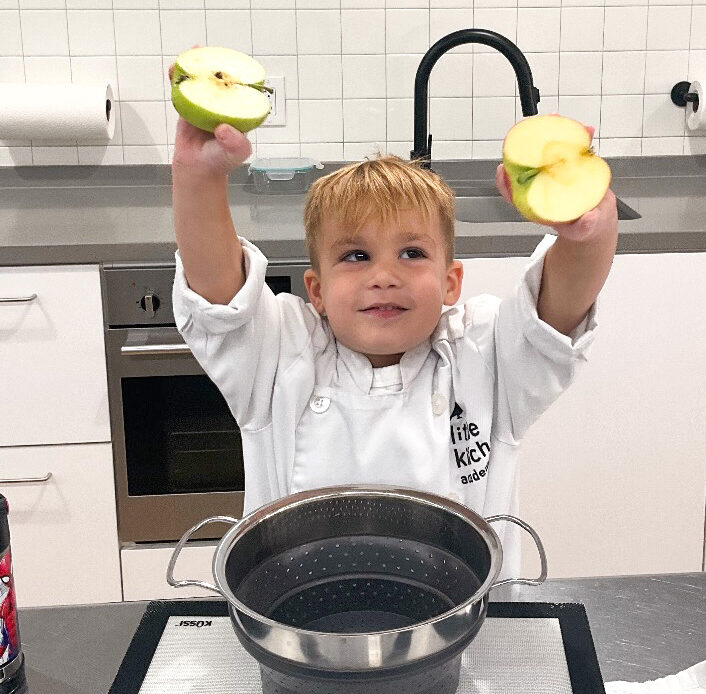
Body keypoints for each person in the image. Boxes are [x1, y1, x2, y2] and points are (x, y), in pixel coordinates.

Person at [171, 94, 617, 578]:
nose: (384, 276)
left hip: (465, 631)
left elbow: (559, 309)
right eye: (356, 257)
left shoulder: (480, 353)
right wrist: (198, 175)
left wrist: (586, 228)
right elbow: (218, 299)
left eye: (411, 253)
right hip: (299, 629)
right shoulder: (282, 353)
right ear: (316, 292)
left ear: (451, 282)